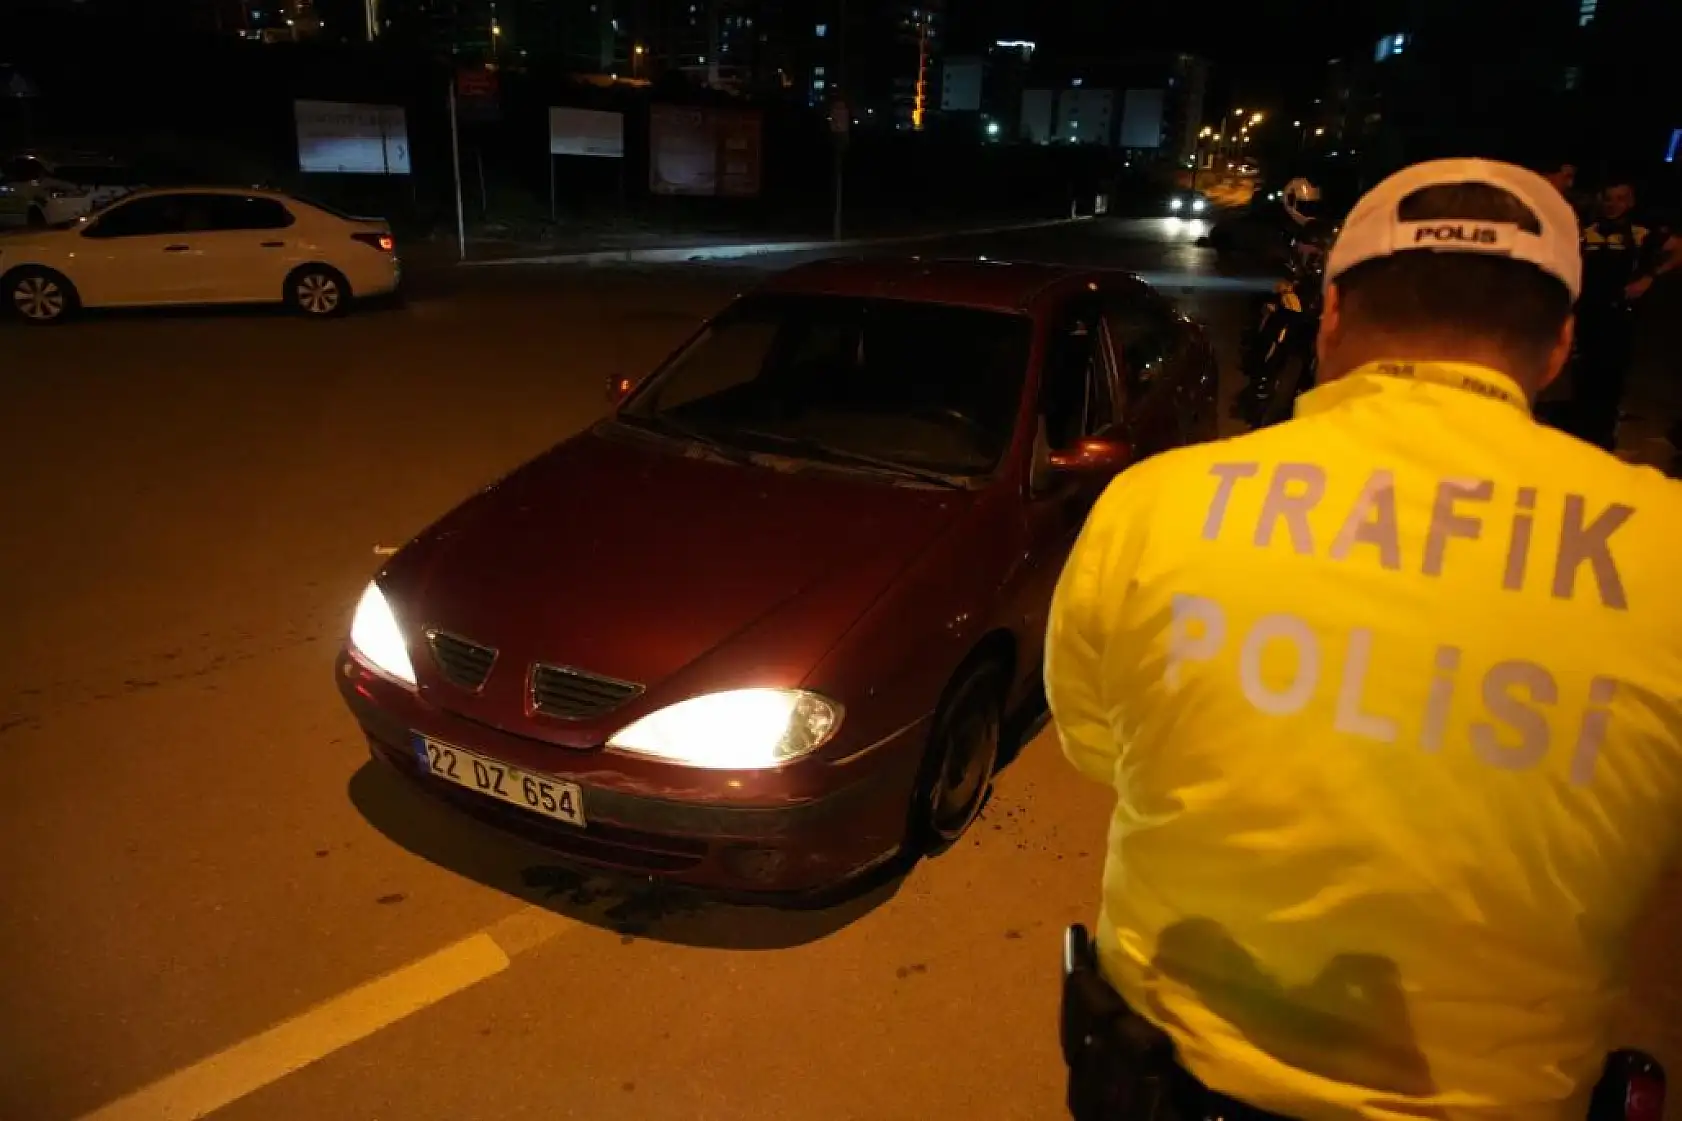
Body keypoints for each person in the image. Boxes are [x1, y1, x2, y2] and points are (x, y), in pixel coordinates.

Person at [1046, 158, 1682, 1121]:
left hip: (1171, 1077)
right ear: (1560, 346)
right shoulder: (1664, 553)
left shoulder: (1157, 504)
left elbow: (1096, 746)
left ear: (1333, 314)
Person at [1567, 178, 1675, 451]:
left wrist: (1649, 277)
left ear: (1631, 201)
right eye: (1609, 198)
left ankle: (1604, 435)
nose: (1613, 204)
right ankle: (1581, 431)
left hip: (1620, 315)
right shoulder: (1585, 230)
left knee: (1612, 374)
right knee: (1584, 374)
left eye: (1620, 198)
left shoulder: (1641, 233)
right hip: (1588, 311)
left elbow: (1678, 249)